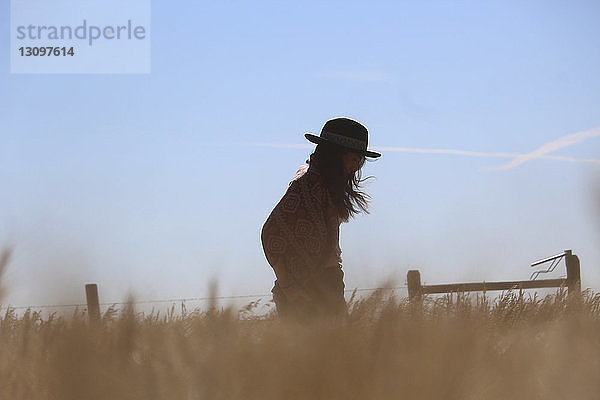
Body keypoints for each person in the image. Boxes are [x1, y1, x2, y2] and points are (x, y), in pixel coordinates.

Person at [261, 117, 381, 322]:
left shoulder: (320, 183)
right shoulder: (307, 183)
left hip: (321, 283)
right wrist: (289, 287)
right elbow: (271, 232)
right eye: (355, 160)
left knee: (331, 351)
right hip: (310, 287)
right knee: (325, 351)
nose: (356, 167)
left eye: (360, 161)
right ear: (336, 155)